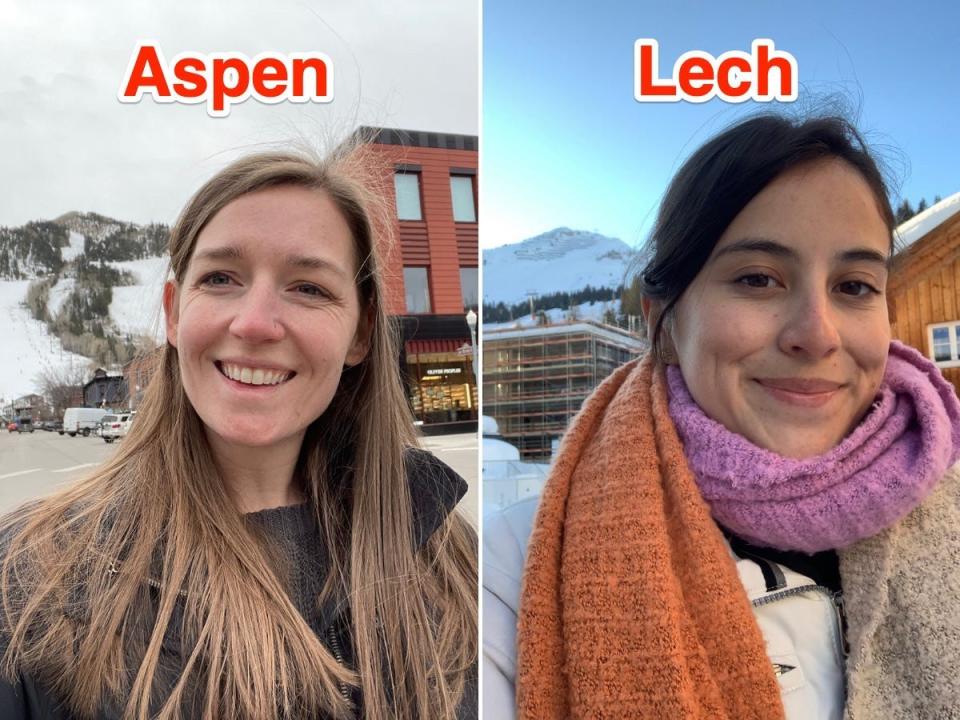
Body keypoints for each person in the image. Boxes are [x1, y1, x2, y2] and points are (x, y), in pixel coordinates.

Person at [483, 114, 960, 719]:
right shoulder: (514, 572)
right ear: (664, 321)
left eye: (856, 286)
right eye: (758, 278)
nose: (817, 334)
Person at [0, 148, 478, 719]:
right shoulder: (28, 577)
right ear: (174, 314)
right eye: (221, 278)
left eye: (309, 288)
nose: (254, 323)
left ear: (361, 331)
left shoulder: (452, 556)